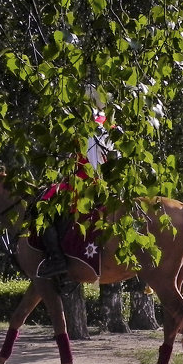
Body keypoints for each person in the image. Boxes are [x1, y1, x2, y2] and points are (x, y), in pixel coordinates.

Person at [39, 107, 115, 279]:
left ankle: (58, 259)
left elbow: (76, 160)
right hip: (107, 182)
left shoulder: (84, 127)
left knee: (44, 208)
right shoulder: (112, 126)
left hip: (84, 181)